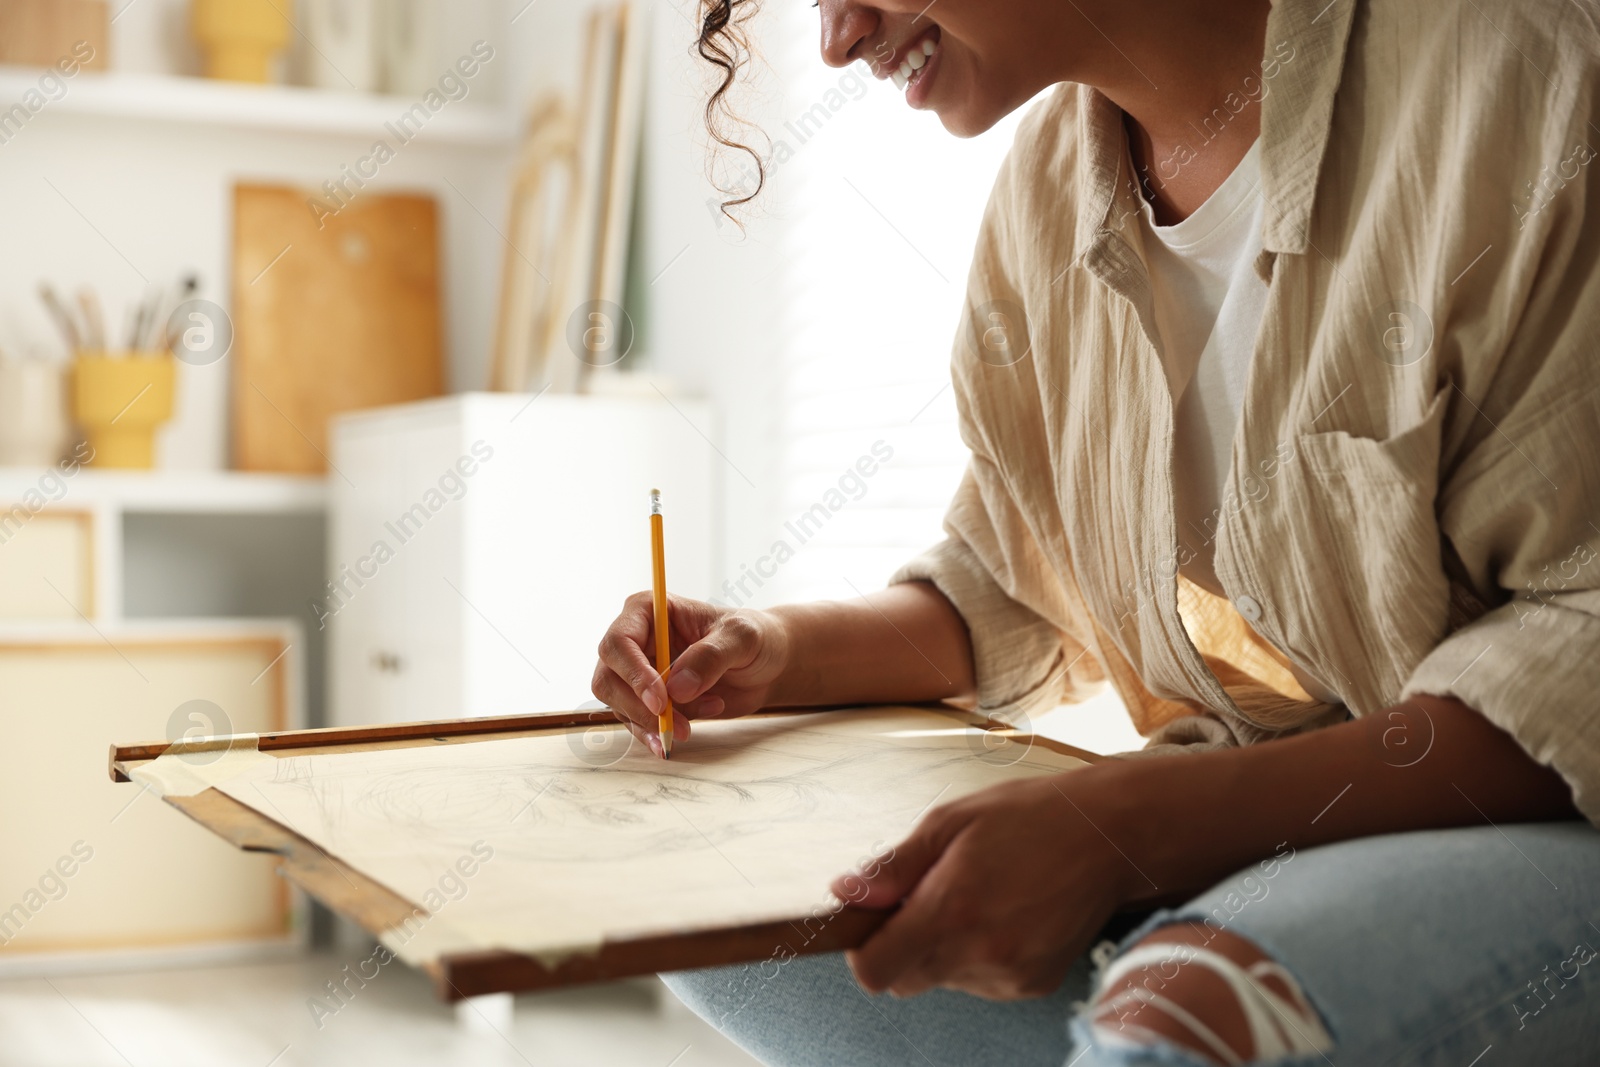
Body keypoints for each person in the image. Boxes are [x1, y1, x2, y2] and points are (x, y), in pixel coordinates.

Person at [592, 0, 1600, 1062]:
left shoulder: (1523, 79)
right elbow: (1012, 577)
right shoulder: (1047, 193)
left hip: (1546, 828)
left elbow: (1576, 658)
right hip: (1257, 845)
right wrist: (769, 647)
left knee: (1187, 1010)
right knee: (705, 900)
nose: (839, 37)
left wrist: (1137, 825)